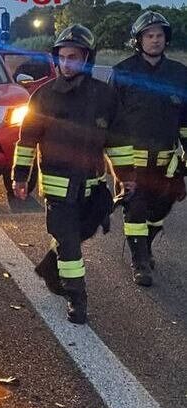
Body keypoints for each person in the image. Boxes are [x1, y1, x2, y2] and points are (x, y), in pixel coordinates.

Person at [11, 25, 135, 324]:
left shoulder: (105, 96)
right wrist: (20, 177)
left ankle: (49, 269)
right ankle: (77, 298)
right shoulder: (43, 96)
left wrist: (125, 176)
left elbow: (116, 141)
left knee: (81, 235)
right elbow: (26, 140)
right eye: (63, 57)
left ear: (87, 59)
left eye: (74, 57)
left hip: (92, 186)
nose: (67, 63)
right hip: (58, 188)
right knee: (68, 242)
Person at [109, 11, 187, 286]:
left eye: (159, 36)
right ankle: (139, 261)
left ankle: (146, 245)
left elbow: (186, 122)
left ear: (166, 39)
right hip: (132, 161)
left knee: (159, 212)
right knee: (137, 210)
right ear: (138, 40)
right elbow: (111, 121)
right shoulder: (122, 72)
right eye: (149, 36)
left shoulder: (180, 74)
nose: (155, 40)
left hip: (167, 163)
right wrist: (117, 168)